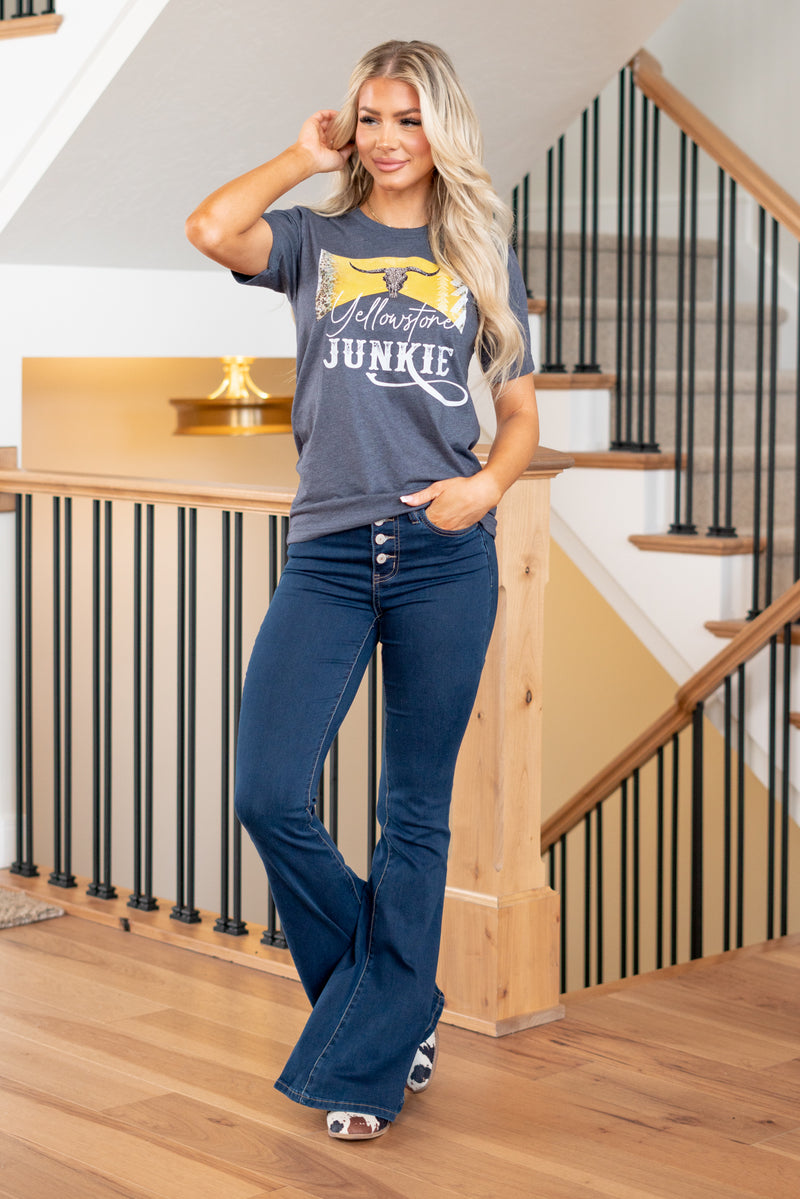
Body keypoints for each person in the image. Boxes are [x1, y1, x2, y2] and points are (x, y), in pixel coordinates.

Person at [186, 38, 538, 1141]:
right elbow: (211, 227)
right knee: (267, 792)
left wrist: (486, 487)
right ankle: (396, 1004)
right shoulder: (312, 240)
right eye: (372, 118)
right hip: (331, 551)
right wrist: (301, 157)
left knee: (412, 813)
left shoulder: (480, 250)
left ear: (442, 129)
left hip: (443, 550)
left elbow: (519, 412)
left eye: (409, 119)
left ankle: (366, 1064)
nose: (388, 140)